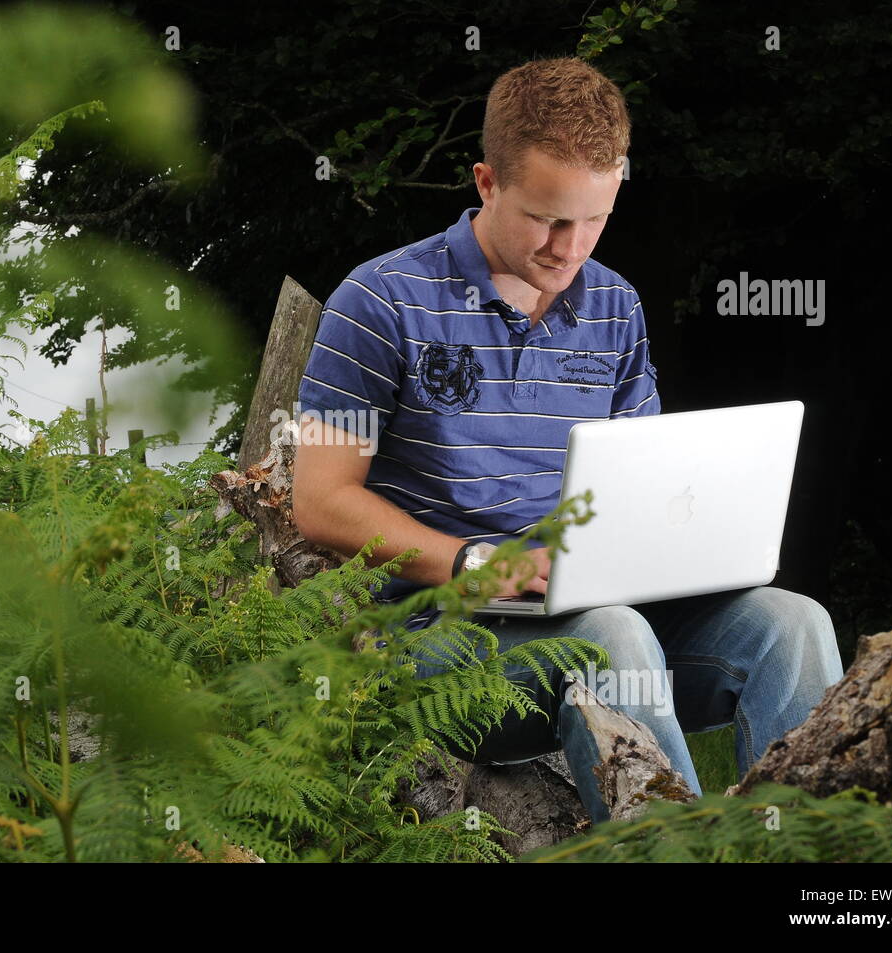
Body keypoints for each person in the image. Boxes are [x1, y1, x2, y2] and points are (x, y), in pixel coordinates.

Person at [291, 57, 843, 823]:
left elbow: (643, 490)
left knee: (795, 626)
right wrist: (481, 564)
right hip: (432, 638)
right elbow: (318, 502)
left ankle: (819, 871)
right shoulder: (376, 302)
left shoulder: (617, 307)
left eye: (595, 219)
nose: (569, 246)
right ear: (486, 183)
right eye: (547, 218)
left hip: (601, 613)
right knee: (607, 635)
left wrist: (692, 545)